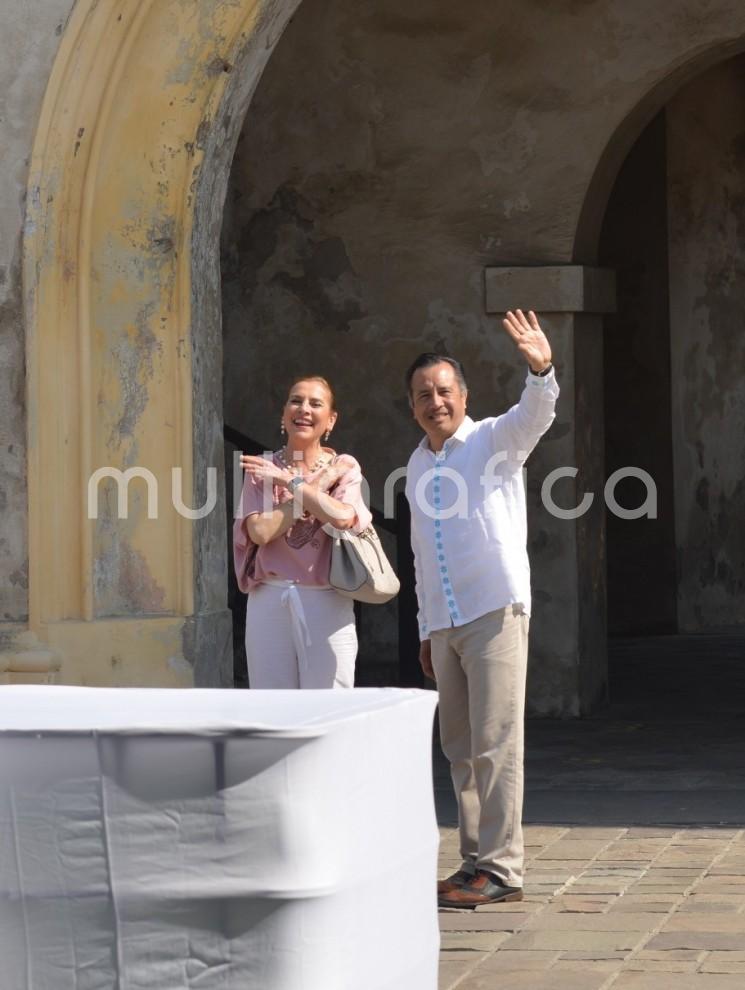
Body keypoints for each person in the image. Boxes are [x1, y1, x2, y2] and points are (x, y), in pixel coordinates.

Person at [404, 309, 559, 908]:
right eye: (423, 395)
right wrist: (424, 627)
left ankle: (502, 868)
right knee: (459, 747)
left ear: (463, 397)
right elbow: (421, 552)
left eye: (444, 391)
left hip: (494, 610)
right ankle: (474, 860)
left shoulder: (495, 439)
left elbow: (537, 414)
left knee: (496, 744)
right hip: (445, 620)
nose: (435, 402)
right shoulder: (418, 462)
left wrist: (540, 367)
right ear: (412, 405)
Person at [233, 375, 371, 689]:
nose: (304, 409)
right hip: (269, 599)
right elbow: (260, 531)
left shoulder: (344, 466)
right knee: (273, 712)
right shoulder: (261, 468)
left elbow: (342, 517)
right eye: (296, 400)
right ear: (284, 414)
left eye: (315, 403)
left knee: (329, 710)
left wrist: (290, 485)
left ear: (331, 420)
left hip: (327, 600)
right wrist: (317, 485)